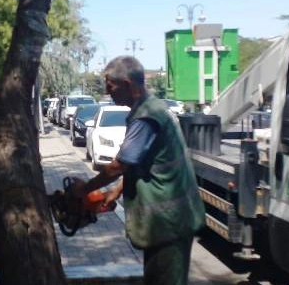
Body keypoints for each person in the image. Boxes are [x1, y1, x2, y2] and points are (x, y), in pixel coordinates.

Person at [72, 56, 205, 285]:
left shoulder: (146, 116)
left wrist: (84, 188)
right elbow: (140, 162)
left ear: (129, 85)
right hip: (170, 223)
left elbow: (119, 165)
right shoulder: (152, 107)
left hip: (168, 223)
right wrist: (115, 191)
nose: (107, 91)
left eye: (110, 85)